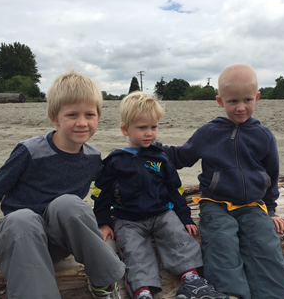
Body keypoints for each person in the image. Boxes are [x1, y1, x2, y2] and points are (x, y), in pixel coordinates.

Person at [0, 71, 126, 298]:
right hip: (18, 238)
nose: (82, 122)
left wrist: (104, 222)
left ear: (98, 117)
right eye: (72, 114)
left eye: (89, 114)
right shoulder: (29, 151)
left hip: (57, 244)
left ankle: (104, 283)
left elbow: (107, 188)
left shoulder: (93, 158)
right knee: (24, 218)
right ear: (55, 118)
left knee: (68, 205)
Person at [162, 64, 284, 299]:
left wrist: (271, 211)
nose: (240, 107)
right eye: (233, 101)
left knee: (266, 247)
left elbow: (272, 176)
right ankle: (229, 294)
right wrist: (152, 148)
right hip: (215, 203)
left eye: (247, 100)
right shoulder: (209, 133)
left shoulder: (264, 136)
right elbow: (181, 156)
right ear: (220, 101)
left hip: (253, 205)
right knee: (220, 244)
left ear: (257, 98)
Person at [92, 92, 233, 299]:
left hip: (161, 213)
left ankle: (191, 280)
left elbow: (175, 188)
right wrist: (103, 222)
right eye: (142, 128)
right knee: (133, 250)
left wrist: (184, 217)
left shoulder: (160, 157)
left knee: (177, 235)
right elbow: (100, 192)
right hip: (127, 219)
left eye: (153, 127)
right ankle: (143, 291)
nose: (149, 133)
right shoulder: (116, 160)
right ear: (125, 129)